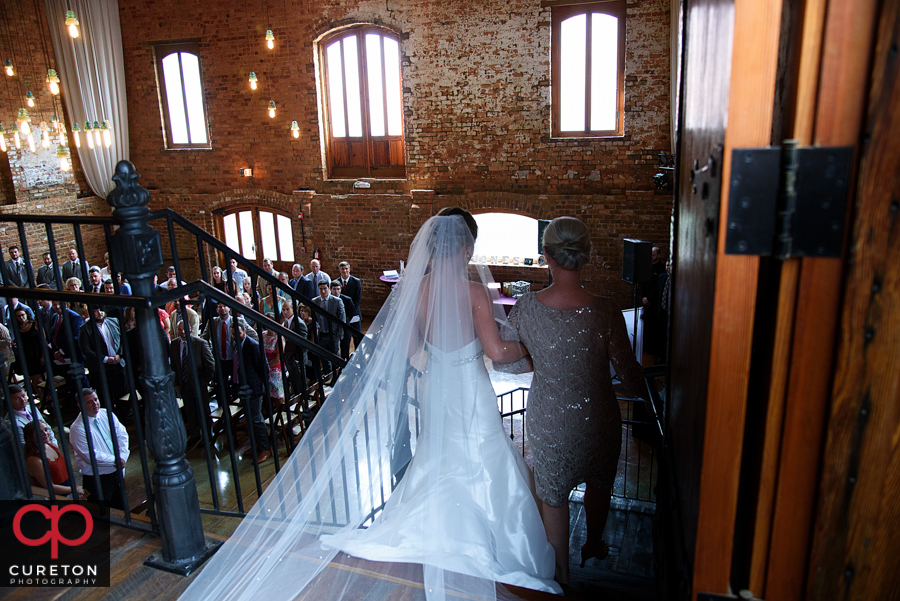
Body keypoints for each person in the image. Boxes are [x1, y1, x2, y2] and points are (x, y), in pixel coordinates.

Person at [180, 209, 561, 601]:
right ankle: (488, 539)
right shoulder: (474, 292)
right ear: (465, 247)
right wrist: (531, 349)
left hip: (436, 385)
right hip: (469, 386)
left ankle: (437, 531)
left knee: (438, 456)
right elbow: (498, 352)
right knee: (485, 455)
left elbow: (410, 349)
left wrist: (438, 359)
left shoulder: (416, 291)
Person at [505, 216, 647, 585]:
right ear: (587, 255)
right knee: (600, 484)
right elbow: (630, 378)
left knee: (552, 497)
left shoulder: (525, 307)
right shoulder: (606, 309)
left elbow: (514, 364)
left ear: (546, 255)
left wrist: (544, 356)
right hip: (599, 417)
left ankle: (561, 577)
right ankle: (595, 542)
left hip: (549, 417)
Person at [69, 387, 129, 510]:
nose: (95, 404)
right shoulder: (78, 428)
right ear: (80, 405)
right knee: (101, 512)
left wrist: (122, 456)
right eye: (89, 402)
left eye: (95, 399)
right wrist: (115, 460)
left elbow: (122, 435)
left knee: (121, 508)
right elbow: (90, 455)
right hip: (98, 478)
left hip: (117, 471)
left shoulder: (106, 414)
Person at [170, 321, 215, 447]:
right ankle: (195, 435)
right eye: (179, 329)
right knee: (190, 411)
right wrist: (176, 383)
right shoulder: (174, 344)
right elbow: (173, 365)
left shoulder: (200, 343)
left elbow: (210, 365)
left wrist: (204, 381)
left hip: (199, 384)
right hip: (184, 384)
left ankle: (207, 435)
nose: (182, 332)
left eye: (184, 329)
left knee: (203, 410)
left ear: (189, 328)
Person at [79, 306, 128, 419]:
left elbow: (123, 339)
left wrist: (119, 355)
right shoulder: (85, 329)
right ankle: (110, 420)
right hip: (101, 369)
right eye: (95, 310)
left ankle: (123, 418)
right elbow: (86, 349)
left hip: (118, 364)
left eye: (101, 310)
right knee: (106, 397)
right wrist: (105, 359)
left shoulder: (114, 321)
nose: (99, 313)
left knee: (122, 394)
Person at [234, 320, 272, 463]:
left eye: (237, 333)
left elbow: (264, 369)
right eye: (232, 334)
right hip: (244, 388)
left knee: (256, 419)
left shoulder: (253, 345)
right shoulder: (238, 344)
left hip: (254, 388)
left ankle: (265, 448)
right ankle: (257, 445)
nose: (235, 336)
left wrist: (261, 387)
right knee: (250, 419)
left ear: (244, 331)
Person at [22, 421, 85, 499]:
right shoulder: (35, 460)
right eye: (39, 432)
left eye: (46, 429)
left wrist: (75, 487)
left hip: (69, 490)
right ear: (30, 436)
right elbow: (49, 487)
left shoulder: (52, 446)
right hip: (55, 497)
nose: (45, 433)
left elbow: (66, 470)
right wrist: (74, 489)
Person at [312, 280, 345, 377]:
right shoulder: (315, 301)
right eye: (320, 289)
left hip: (333, 334)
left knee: (335, 357)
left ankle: (337, 378)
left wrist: (339, 335)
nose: (323, 291)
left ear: (329, 289)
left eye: (325, 288)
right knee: (324, 358)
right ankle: (328, 377)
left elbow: (341, 319)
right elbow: (314, 319)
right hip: (321, 334)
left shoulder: (337, 301)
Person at [12, 306, 44, 391]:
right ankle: (42, 399)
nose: (21, 317)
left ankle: (47, 398)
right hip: (26, 356)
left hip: (36, 354)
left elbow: (44, 341)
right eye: (18, 316)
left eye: (22, 315)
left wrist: (43, 355)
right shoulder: (18, 328)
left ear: (26, 314)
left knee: (37, 380)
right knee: (31, 381)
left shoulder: (35, 325)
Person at [330, 280, 359, 361]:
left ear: (341, 289)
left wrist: (346, 318)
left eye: (338, 289)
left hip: (345, 324)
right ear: (330, 289)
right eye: (334, 289)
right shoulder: (329, 299)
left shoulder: (347, 299)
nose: (336, 291)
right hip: (333, 325)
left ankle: (345, 359)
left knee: (345, 343)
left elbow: (351, 310)